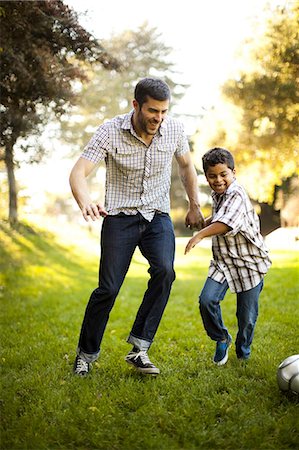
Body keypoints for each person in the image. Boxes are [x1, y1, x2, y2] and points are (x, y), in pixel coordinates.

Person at [69, 77, 204, 376]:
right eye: (153, 111)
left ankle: (139, 348)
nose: (158, 118)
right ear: (136, 105)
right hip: (119, 218)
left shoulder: (174, 130)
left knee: (165, 272)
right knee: (108, 288)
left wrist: (194, 204)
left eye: (164, 111)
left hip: (156, 215)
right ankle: (86, 354)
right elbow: (79, 172)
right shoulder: (110, 131)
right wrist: (86, 201)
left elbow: (185, 166)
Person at [185, 147, 271, 365]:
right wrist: (203, 222)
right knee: (207, 300)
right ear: (206, 177)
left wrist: (199, 235)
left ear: (234, 172)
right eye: (212, 176)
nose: (218, 180)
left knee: (247, 318)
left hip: (248, 263)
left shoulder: (237, 193)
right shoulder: (218, 195)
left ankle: (243, 354)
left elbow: (226, 223)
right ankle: (221, 337)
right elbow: (218, 215)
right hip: (223, 262)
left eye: (224, 174)